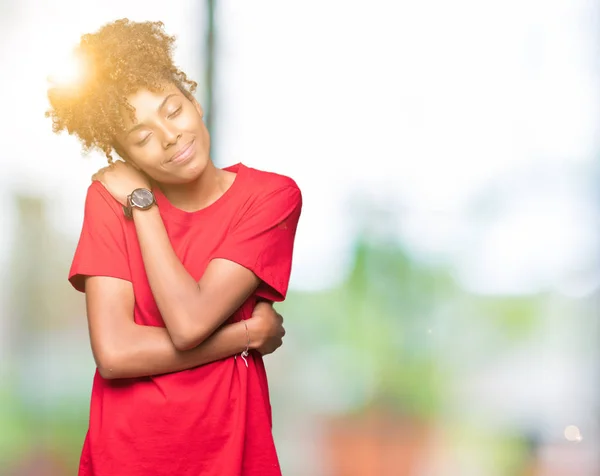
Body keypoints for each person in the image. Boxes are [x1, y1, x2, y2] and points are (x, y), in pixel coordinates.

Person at [46, 18, 302, 476]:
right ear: (123, 153)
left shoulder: (269, 198)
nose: (169, 137)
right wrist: (244, 336)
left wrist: (139, 208)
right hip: (125, 455)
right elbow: (116, 355)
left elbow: (189, 319)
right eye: (141, 137)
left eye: (172, 110)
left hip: (229, 450)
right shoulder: (110, 200)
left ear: (194, 100)